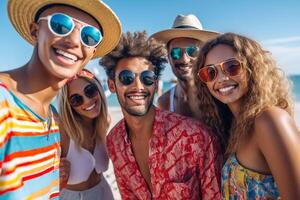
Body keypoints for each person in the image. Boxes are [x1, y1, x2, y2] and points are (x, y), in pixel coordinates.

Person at [0, 0, 121, 199]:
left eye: (89, 36)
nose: (74, 41)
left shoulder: (51, 122)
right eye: (61, 25)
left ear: (92, 52)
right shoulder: (4, 103)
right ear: (35, 30)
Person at [100, 31, 222, 200]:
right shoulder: (114, 142)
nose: (138, 86)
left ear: (155, 84)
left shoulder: (196, 137)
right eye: (127, 78)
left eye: (147, 78)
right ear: (112, 85)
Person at [194, 32, 300, 199]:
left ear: (253, 67)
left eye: (232, 66)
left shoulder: (270, 120)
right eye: (210, 72)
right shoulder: (232, 127)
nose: (221, 78)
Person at [58, 69, 113, 199]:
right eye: (76, 99)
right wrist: (55, 173)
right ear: (69, 106)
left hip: (104, 192)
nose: (87, 101)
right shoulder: (63, 131)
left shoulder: (104, 122)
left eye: (90, 91)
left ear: (99, 88)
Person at [151, 14, 218, 118]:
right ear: (168, 56)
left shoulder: (217, 95)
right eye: (176, 52)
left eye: (192, 51)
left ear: (203, 55)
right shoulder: (164, 102)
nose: (184, 59)